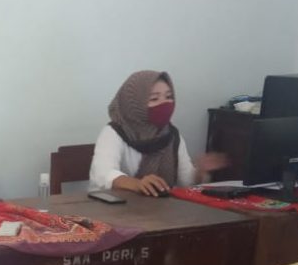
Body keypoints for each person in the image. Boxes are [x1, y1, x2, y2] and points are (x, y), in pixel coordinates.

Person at [89, 70, 226, 196]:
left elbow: (186, 182)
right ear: (134, 103)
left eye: (169, 96)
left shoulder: (171, 134)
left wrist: (201, 171)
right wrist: (137, 184)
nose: (164, 103)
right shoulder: (114, 132)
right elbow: (103, 174)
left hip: (160, 211)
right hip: (116, 209)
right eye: (154, 99)